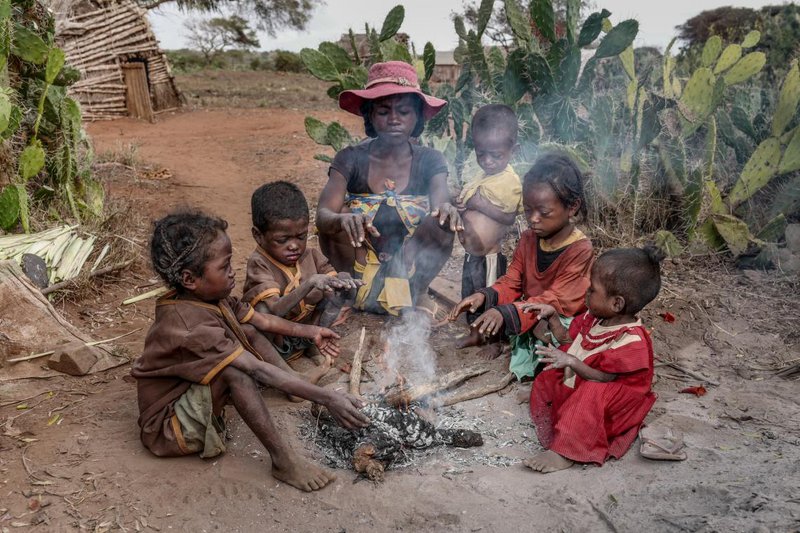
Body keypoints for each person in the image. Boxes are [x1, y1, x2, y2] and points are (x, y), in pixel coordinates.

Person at [131, 210, 370, 492]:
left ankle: (295, 385)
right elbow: (255, 368)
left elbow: (263, 320)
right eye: (224, 266)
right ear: (189, 278)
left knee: (247, 330)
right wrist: (327, 398)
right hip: (169, 427)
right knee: (237, 372)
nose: (233, 271)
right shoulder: (190, 325)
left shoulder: (211, 298)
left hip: (189, 397)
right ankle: (284, 461)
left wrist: (312, 331)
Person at [316, 60, 462, 316]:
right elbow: (322, 215)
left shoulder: (430, 159)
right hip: (359, 255)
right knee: (334, 224)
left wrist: (447, 209)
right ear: (370, 116)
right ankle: (352, 291)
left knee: (442, 223)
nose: (394, 119)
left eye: (404, 111)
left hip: (409, 259)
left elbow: (441, 205)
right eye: (383, 112)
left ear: (416, 116)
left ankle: (415, 291)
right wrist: (342, 219)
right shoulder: (349, 158)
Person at [522, 245, 664, 473]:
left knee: (588, 389)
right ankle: (551, 400)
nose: (586, 294)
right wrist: (553, 316)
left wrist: (571, 361)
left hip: (612, 398)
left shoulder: (631, 339)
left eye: (592, 290)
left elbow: (604, 378)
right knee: (560, 359)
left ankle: (565, 451)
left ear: (616, 303)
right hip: (589, 376)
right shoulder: (595, 316)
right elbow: (568, 338)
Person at [449, 153, 594, 372]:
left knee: (537, 327)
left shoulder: (580, 250)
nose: (533, 218)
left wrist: (506, 312)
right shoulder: (528, 238)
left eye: (543, 212)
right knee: (499, 304)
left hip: (559, 321)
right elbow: (512, 281)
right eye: (528, 210)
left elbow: (554, 299)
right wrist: (482, 295)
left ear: (572, 207)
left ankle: (553, 369)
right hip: (530, 312)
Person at [243, 181, 362, 363]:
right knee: (262, 310)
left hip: (306, 327)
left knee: (331, 287)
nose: (294, 246)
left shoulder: (310, 255)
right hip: (276, 338)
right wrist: (310, 282)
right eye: (282, 239)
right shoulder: (259, 263)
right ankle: (277, 364)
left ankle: (312, 342)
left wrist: (343, 280)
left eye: (301, 237)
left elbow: (330, 283)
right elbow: (275, 309)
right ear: (258, 236)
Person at [456, 104, 522, 327]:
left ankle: (492, 339)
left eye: (495, 155)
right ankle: (474, 330)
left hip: (489, 258)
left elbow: (508, 217)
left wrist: (479, 204)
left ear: (514, 150)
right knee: (470, 294)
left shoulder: (509, 182)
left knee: (489, 297)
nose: (487, 161)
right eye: (481, 154)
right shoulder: (483, 175)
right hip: (472, 255)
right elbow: (470, 196)